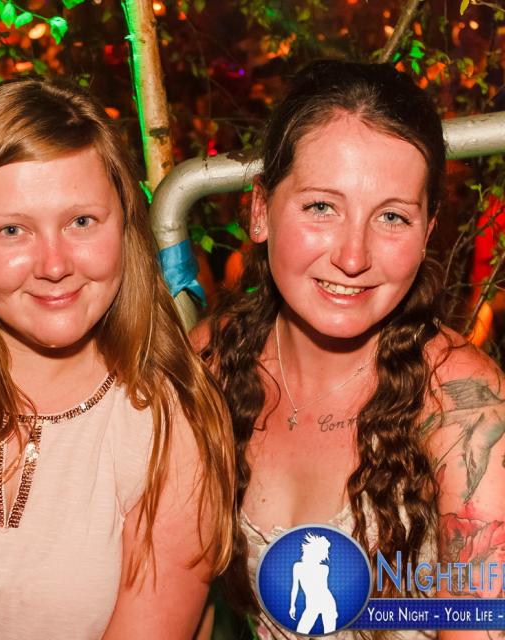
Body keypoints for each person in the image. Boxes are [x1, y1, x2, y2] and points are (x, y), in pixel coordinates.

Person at [0, 78, 234, 639]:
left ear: (126, 225)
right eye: (12, 230)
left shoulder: (173, 424)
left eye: (81, 221)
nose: (55, 265)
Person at [196, 60, 505, 639]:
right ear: (260, 211)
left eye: (392, 216)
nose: (353, 256)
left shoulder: (464, 404)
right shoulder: (210, 361)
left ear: (428, 232)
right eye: (321, 207)